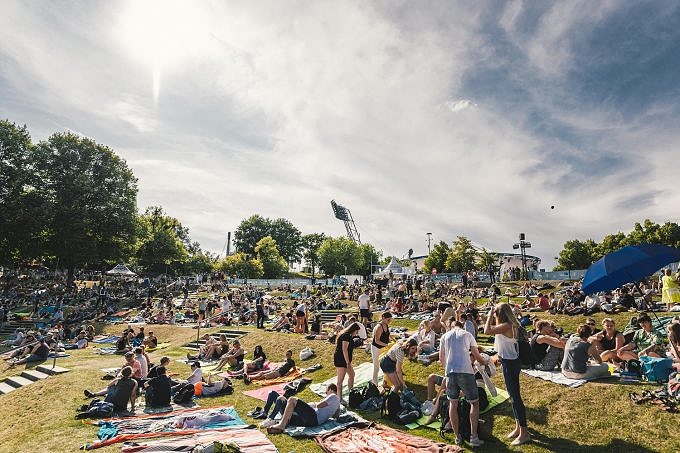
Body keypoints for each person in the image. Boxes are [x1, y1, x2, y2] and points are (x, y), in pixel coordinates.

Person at [484, 303, 530, 446]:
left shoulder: (506, 325)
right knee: (512, 397)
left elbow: (486, 331)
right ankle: (518, 427)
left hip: (511, 363)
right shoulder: (509, 324)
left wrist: (490, 314)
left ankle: (524, 433)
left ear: (500, 313)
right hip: (508, 361)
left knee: (515, 398)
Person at [439, 319, 489, 447]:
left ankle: (457, 437)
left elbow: (441, 357)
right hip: (466, 371)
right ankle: (474, 436)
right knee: (474, 403)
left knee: (453, 403)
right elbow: (476, 355)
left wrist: (447, 369)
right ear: (462, 326)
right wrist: (484, 362)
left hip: (450, 372)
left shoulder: (445, 336)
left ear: (451, 326)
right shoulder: (467, 334)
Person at [265, 383, 341, 434]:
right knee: (288, 413)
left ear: (330, 389)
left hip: (314, 417)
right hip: (311, 422)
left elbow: (319, 405)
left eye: (326, 392)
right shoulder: (338, 402)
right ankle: (281, 424)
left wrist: (313, 404)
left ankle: (281, 425)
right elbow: (336, 416)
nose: (326, 395)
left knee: (292, 399)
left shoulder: (333, 396)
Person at [334, 322, 360, 400]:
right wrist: (348, 362)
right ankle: (340, 398)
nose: (357, 333)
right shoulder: (346, 336)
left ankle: (350, 393)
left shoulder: (347, 336)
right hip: (342, 360)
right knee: (340, 380)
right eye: (356, 331)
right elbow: (344, 349)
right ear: (353, 330)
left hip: (345, 359)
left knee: (352, 375)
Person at [370, 311, 392, 386]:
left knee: (385, 365)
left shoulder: (386, 325)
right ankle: (374, 383)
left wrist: (393, 340)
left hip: (383, 348)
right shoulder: (379, 327)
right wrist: (386, 344)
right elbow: (377, 340)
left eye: (390, 320)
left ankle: (385, 382)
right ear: (383, 318)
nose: (389, 321)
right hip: (376, 348)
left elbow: (387, 335)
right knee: (376, 366)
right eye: (388, 320)